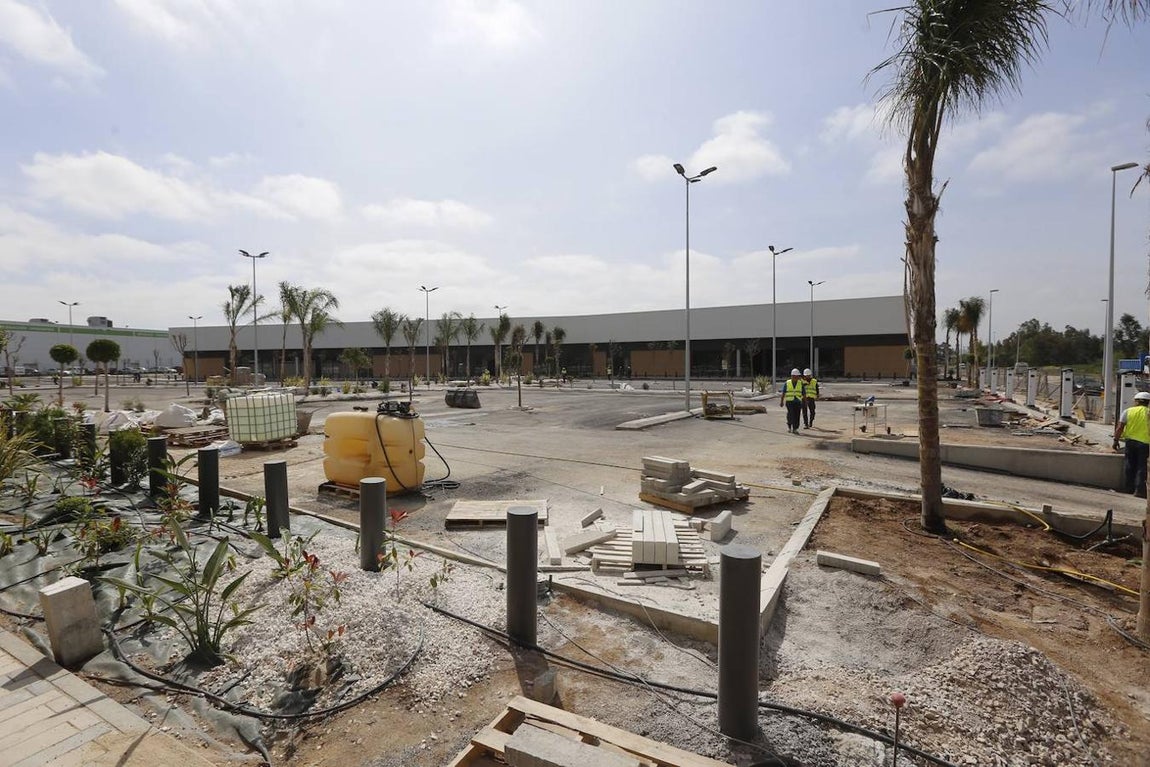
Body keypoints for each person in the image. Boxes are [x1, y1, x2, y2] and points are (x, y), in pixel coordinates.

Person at [1113, 391, 1150, 498]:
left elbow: (1120, 427)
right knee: (1142, 467)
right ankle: (1139, 490)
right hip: (1145, 443)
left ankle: (1129, 488)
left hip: (1130, 442)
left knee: (1129, 464)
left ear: (1136, 401)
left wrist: (1116, 441)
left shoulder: (1128, 411)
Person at [779, 368, 804, 434]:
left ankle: (795, 428)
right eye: (795, 376)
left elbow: (804, 393)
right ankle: (789, 426)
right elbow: (783, 393)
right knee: (790, 414)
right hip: (789, 402)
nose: (796, 378)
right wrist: (781, 401)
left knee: (797, 415)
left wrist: (805, 402)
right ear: (792, 376)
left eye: (797, 376)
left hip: (798, 402)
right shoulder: (787, 383)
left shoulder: (800, 383)